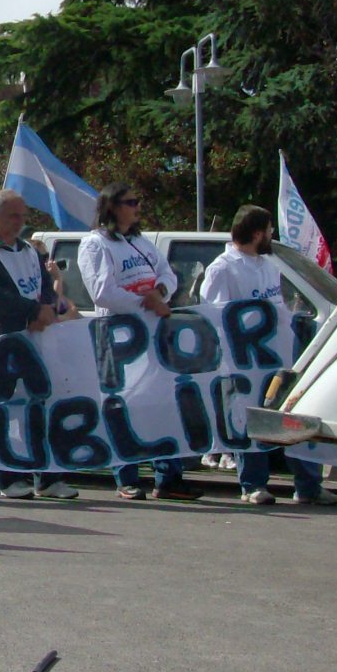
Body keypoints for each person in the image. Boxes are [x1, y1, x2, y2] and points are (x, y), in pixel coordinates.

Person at [199, 204, 337, 507]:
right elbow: (215, 317)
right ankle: (253, 484)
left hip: (279, 357)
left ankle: (308, 486)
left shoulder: (268, 264)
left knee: (293, 416)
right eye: (268, 229)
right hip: (245, 363)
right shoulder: (222, 268)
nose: (272, 234)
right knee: (250, 420)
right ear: (256, 233)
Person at [77, 182, 200, 503]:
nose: (137, 208)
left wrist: (160, 292)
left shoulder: (141, 242)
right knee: (121, 406)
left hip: (154, 335)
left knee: (164, 403)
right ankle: (127, 477)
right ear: (112, 207)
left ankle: (169, 477)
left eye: (137, 201)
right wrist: (145, 303)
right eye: (130, 202)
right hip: (117, 337)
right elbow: (103, 292)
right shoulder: (95, 245)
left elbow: (168, 274)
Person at [0, 191, 79, 500]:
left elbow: (45, 287)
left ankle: (47, 478)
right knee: (4, 410)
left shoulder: (28, 251)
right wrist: (31, 312)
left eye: (23, 216)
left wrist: (46, 309)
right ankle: (8, 476)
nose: (20, 222)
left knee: (40, 406)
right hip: (2, 344)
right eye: (14, 216)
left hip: (36, 341)